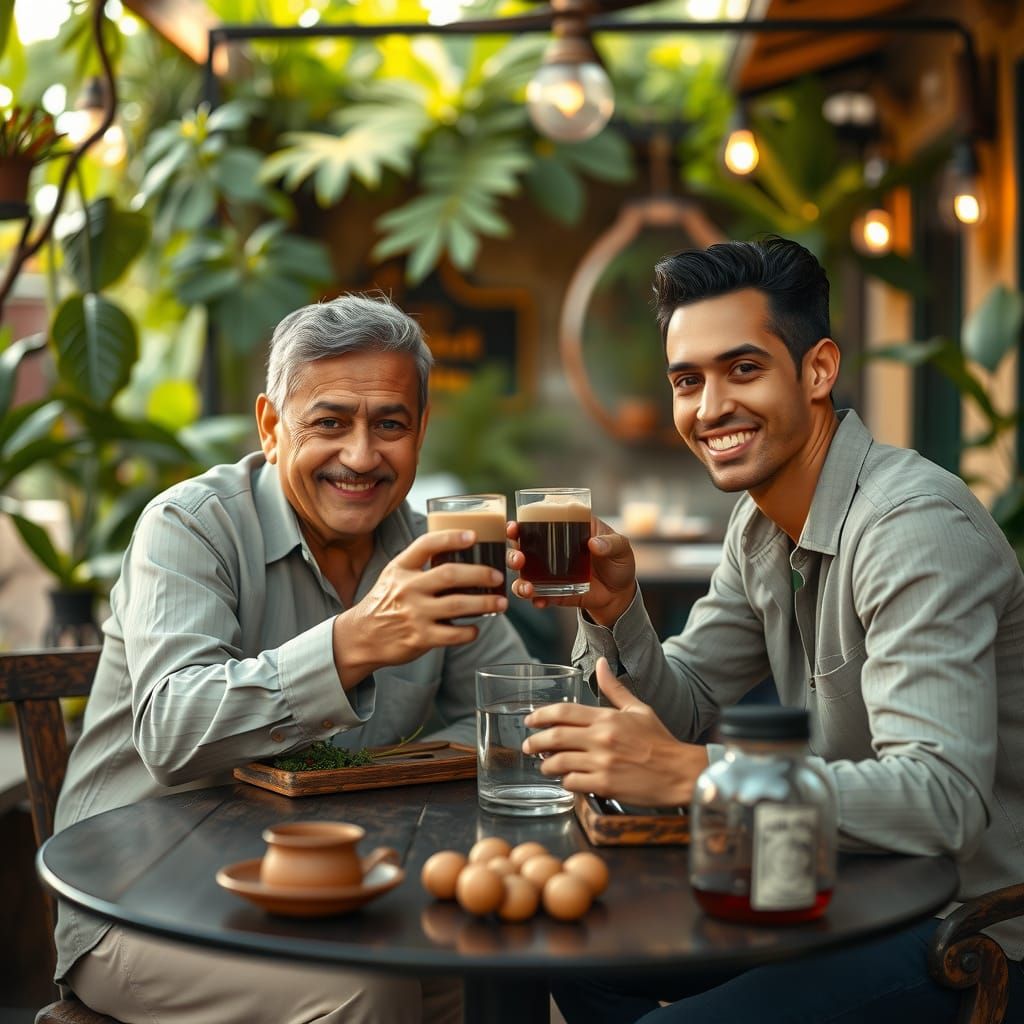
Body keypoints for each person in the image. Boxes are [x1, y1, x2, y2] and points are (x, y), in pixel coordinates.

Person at [509, 236, 1024, 1023]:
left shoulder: (913, 527)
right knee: (575, 958)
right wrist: (616, 611)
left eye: (742, 369)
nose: (710, 408)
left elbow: (943, 799)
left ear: (817, 370)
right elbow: (685, 703)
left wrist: (694, 777)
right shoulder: (759, 526)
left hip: (969, 932)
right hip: (840, 890)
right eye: (689, 380)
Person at [54, 292, 530, 1024]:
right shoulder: (190, 526)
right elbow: (174, 732)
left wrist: (595, 616)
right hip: (146, 898)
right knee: (366, 994)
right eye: (330, 422)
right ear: (272, 427)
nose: (362, 456)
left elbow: (518, 715)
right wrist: (354, 644)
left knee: (500, 974)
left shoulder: (430, 547)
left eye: (390, 425)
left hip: (346, 890)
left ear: (422, 431)